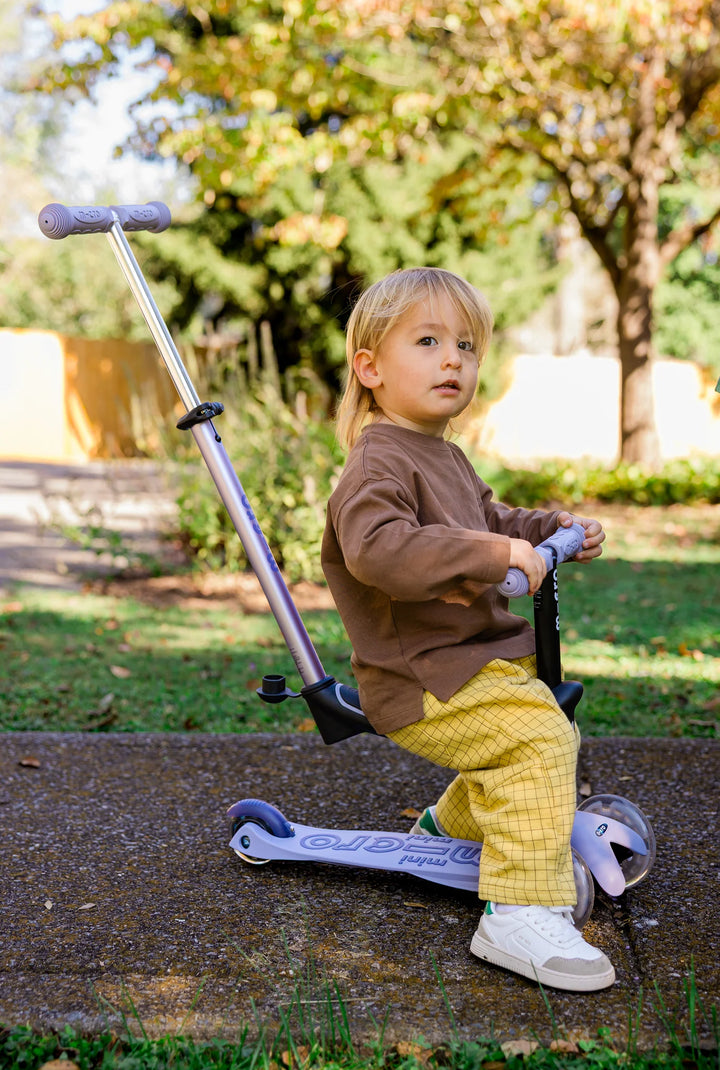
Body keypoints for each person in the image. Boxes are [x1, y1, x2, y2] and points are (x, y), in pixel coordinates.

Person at [321, 267, 614, 992]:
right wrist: (493, 554)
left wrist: (551, 529)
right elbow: (381, 550)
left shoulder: (444, 454)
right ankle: (517, 911)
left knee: (536, 730)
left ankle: (448, 834)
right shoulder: (376, 463)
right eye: (427, 341)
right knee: (538, 740)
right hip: (421, 676)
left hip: (472, 661)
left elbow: (493, 523)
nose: (453, 358)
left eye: (465, 345)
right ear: (371, 368)